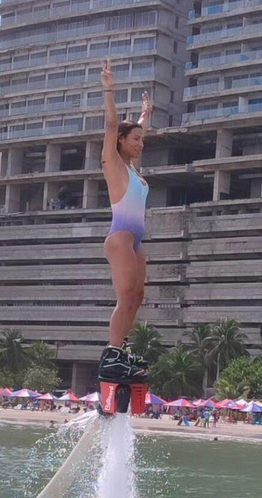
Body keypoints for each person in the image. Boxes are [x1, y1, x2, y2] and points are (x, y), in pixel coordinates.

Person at [97, 58, 153, 381]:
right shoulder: (112, 164)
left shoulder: (133, 170)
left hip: (136, 242)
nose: (141, 144)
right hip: (120, 238)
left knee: (137, 295)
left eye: (142, 139)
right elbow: (111, 124)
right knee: (124, 295)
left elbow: (137, 128)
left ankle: (124, 349)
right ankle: (113, 351)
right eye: (136, 139)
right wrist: (108, 90)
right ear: (121, 141)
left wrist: (145, 116)